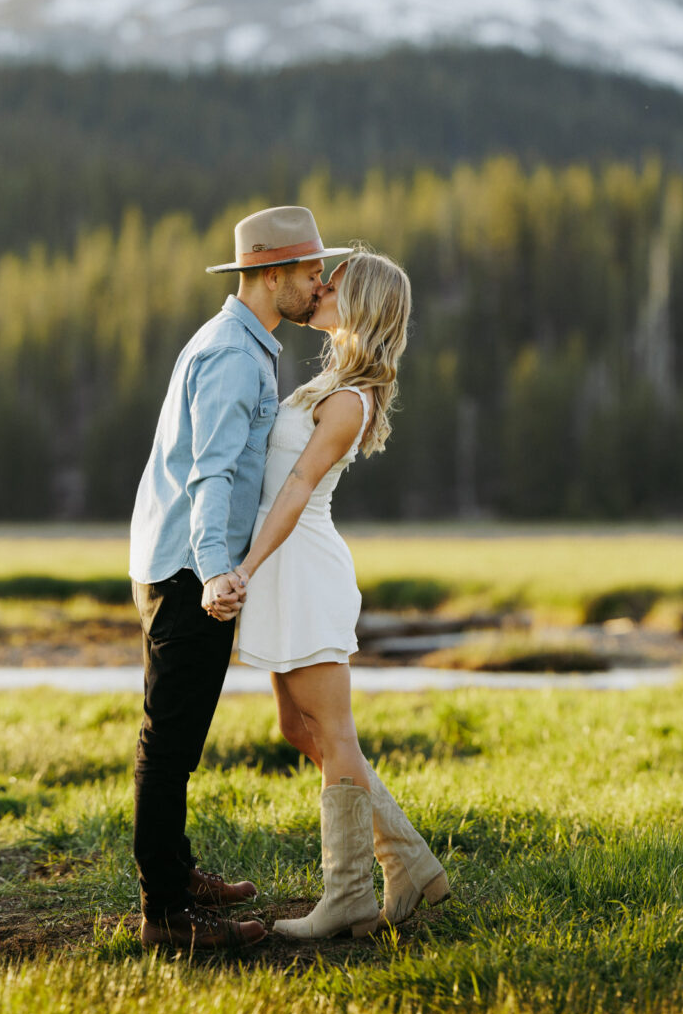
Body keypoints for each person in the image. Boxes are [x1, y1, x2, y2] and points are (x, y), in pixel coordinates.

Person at [125, 204, 346, 951]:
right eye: (312, 271)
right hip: (191, 570)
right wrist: (219, 569)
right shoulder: (232, 354)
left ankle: (178, 872)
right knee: (169, 741)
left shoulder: (246, 343)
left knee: (179, 736)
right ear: (272, 273)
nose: (321, 284)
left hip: (187, 564)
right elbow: (210, 474)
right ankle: (165, 915)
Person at [215, 246, 449, 939]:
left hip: (302, 567)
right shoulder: (331, 382)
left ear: (362, 301)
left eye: (333, 282)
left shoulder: (350, 398)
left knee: (334, 732)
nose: (318, 286)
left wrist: (247, 566)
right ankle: (409, 861)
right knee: (298, 728)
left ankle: (347, 892)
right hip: (284, 567)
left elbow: (295, 487)